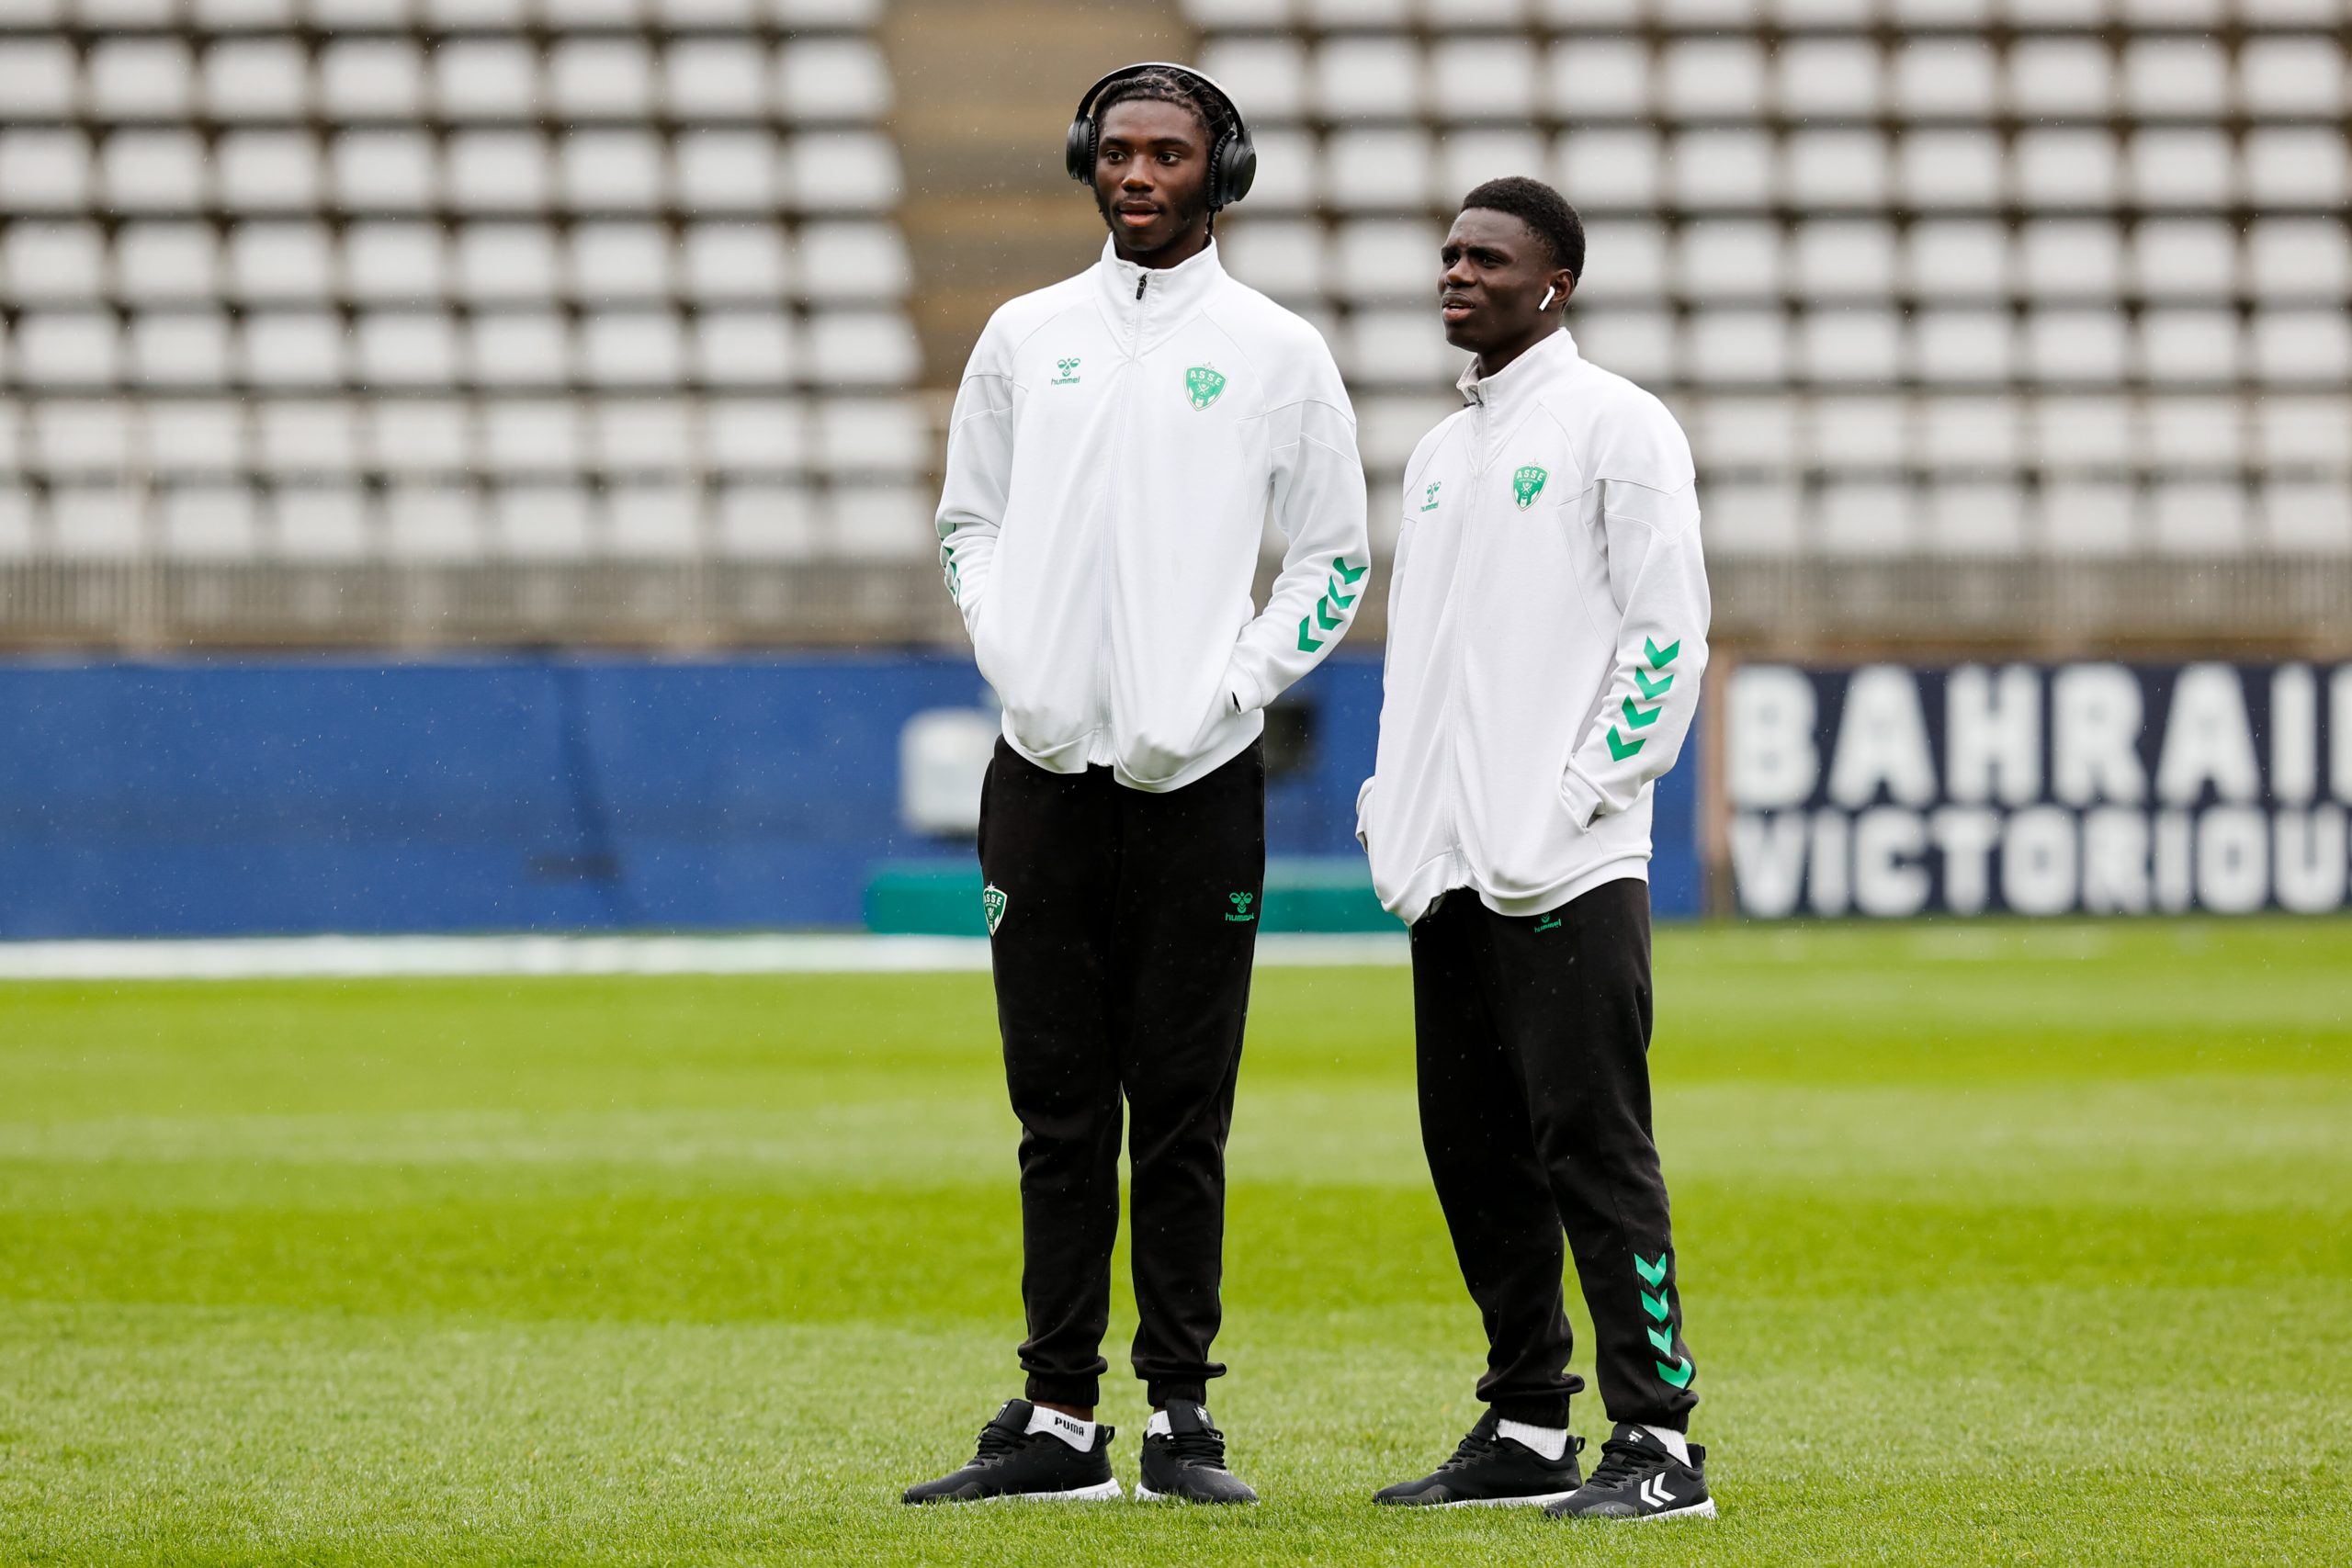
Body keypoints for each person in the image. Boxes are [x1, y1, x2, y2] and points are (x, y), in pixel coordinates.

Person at [900, 62, 1371, 1506]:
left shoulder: (1278, 351)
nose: (1138, 175)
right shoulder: (1024, 335)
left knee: (1181, 1107)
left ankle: (1179, 1418)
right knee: (1057, 1111)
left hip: (1199, 780)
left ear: (1220, 169)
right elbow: (966, 519)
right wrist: (1012, 652)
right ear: (1083, 162)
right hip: (1038, 775)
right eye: (1117, 151)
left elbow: (1335, 560)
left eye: (1168, 153)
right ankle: (1056, 1419)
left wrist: (1226, 692)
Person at [1356, 176, 1716, 1521]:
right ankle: (1522, 1424)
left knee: (1594, 1147)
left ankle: (1662, 1445)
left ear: (1553, 284)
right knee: (1473, 1152)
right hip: (1445, 867)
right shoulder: (1444, 453)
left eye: (1487, 258)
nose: (1456, 273)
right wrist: (1395, 808)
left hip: (1564, 865)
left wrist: (1579, 795)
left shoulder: (1616, 425)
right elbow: (1422, 666)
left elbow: (1666, 633)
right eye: (1449, 252)